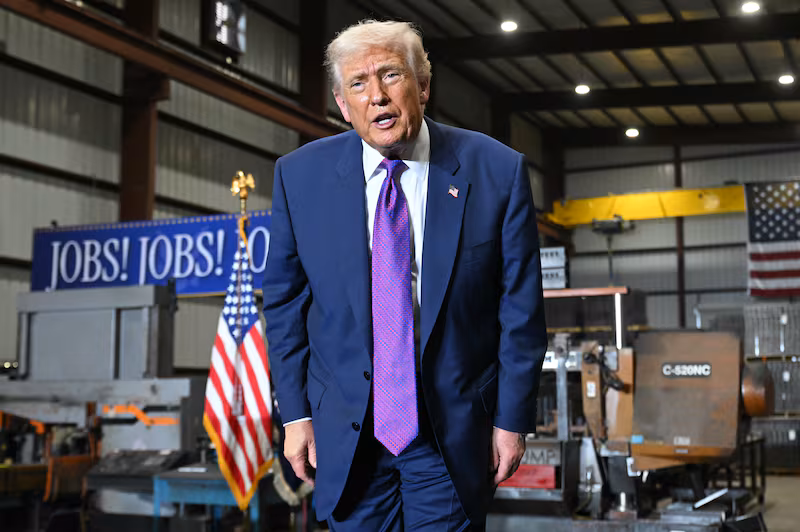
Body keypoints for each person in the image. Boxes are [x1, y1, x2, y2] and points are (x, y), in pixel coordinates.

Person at [262, 19, 547, 531]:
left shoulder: (496, 171)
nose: (377, 96)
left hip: (449, 431)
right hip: (347, 435)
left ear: (423, 86)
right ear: (342, 104)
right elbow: (284, 304)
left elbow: (521, 311)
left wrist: (511, 420)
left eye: (391, 76)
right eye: (358, 84)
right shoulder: (299, 177)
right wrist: (296, 415)